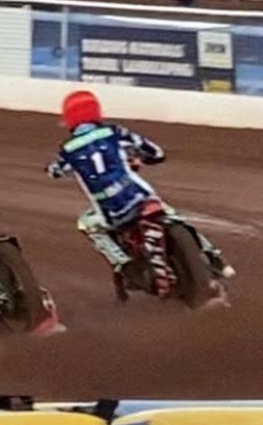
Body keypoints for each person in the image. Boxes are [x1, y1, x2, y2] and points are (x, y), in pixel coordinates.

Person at [45, 90, 228, 299]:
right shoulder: (115, 132)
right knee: (170, 212)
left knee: (86, 223)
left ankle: (123, 263)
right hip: (141, 198)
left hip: (111, 214)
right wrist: (142, 159)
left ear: (69, 119)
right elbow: (156, 153)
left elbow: (56, 171)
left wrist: (53, 170)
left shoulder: (67, 150)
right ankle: (214, 257)